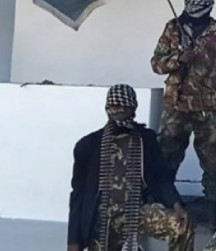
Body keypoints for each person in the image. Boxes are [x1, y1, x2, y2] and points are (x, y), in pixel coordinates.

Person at [151, 0, 216, 227]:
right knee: (167, 156)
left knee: (214, 161)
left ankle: (212, 209)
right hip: (176, 105)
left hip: (210, 106)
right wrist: (178, 59)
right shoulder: (173, 28)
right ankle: (165, 205)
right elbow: (156, 63)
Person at [68, 84, 194, 251]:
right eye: (114, 106)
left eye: (124, 106)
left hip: (136, 213)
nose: (119, 110)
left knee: (182, 225)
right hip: (101, 220)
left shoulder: (146, 139)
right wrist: (73, 241)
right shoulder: (88, 145)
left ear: (133, 108)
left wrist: (177, 205)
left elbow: (160, 179)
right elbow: (78, 193)